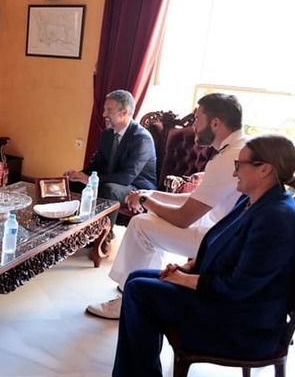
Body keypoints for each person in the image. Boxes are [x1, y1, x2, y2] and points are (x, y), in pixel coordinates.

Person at [108, 135, 295, 377]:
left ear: (265, 169)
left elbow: (238, 286)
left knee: (140, 293)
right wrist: (189, 268)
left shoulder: (276, 218)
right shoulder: (253, 201)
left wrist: (184, 280)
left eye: (240, 165)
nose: (235, 172)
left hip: (242, 319)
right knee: (136, 279)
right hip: (225, 296)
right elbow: (218, 242)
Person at [86, 93, 247, 320]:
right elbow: (195, 199)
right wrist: (151, 195)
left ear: (215, 123)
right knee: (153, 217)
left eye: (197, 119)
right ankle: (149, 288)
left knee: (140, 224)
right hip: (225, 225)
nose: (193, 126)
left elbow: (183, 218)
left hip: (220, 238)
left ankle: (126, 300)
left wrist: (145, 201)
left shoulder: (227, 159)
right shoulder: (239, 148)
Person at [64, 90, 157, 204]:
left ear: (124, 112)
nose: (104, 114)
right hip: (111, 180)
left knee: (109, 190)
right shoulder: (107, 134)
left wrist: (90, 180)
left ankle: (100, 216)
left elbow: (126, 177)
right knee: (71, 183)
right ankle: (74, 214)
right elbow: (97, 165)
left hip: (137, 187)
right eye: (104, 109)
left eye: (109, 110)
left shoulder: (142, 139)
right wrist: (78, 175)